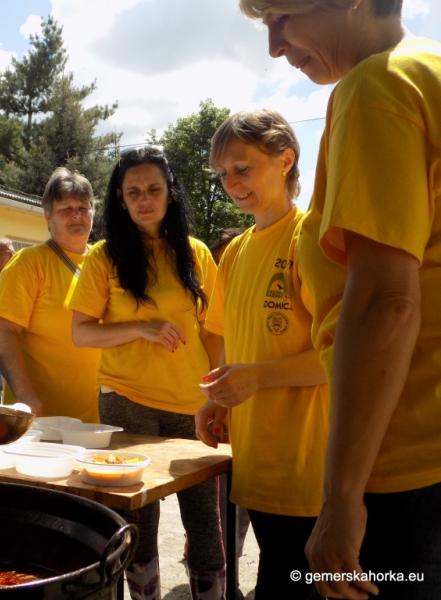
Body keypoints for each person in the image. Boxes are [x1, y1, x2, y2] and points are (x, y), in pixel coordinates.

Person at [242, 1, 441, 598]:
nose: (274, 46)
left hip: (403, 469)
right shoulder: (428, 71)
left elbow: (386, 302)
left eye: (281, 16)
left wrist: (342, 499)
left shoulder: (374, 85)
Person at [69, 147, 225, 600]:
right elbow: (82, 333)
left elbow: (214, 331)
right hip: (126, 401)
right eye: (132, 191)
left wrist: (219, 393)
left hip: (193, 405)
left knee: (204, 523)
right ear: (120, 198)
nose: (144, 199)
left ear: (170, 193)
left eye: (154, 189)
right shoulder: (103, 257)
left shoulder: (196, 254)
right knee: (139, 522)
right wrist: (142, 328)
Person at [196, 109, 328, 600]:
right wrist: (219, 397)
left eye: (243, 168)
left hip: (307, 473)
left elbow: (338, 357)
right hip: (253, 465)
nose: (231, 182)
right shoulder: (234, 251)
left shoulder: (311, 239)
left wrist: (255, 378)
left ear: (286, 159)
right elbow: (231, 343)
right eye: (224, 173)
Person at [0, 168, 100, 421]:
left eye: (84, 208)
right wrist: (25, 395)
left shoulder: (103, 262)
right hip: (43, 419)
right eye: (66, 209)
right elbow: (2, 332)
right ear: (48, 217)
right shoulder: (28, 262)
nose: (76, 215)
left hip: (99, 420)